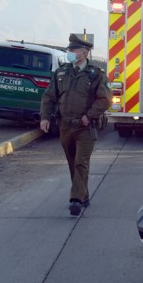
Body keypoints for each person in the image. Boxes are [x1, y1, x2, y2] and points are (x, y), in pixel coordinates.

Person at [40, 32, 111, 216]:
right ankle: (84, 195)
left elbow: (104, 100)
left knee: (81, 161)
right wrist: (45, 117)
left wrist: (90, 115)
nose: (70, 52)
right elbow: (49, 97)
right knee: (72, 162)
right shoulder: (61, 72)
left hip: (85, 126)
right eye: (69, 49)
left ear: (85, 53)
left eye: (74, 49)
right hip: (65, 125)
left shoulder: (96, 75)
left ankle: (76, 200)